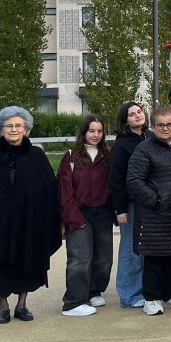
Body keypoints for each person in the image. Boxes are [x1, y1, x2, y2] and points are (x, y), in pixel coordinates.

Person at [0, 107, 62, 324]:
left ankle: (22, 305)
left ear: (25, 129)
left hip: (28, 221)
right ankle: (3, 306)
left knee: (28, 259)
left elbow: (48, 189)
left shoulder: (37, 156)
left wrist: (52, 219)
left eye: (18, 125)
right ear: (1, 129)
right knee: (1, 263)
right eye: (9, 126)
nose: (13, 129)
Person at [126, 107, 171, 316]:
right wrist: (156, 200)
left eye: (169, 124)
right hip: (153, 214)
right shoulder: (144, 149)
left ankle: (170, 295)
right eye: (160, 125)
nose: (165, 128)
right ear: (152, 127)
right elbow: (134, 181)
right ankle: (151, 298)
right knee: (153, 258)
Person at [57, 114, 113, 317]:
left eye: (100, 131)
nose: (96, 135)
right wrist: (73, 217)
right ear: (84, 132)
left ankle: (93, 291)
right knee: (80, 258)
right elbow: (64, 190)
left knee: (104, 259)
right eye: (91, 131)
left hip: (103, 214)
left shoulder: (107, 156)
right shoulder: (71, 157)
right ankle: (73, 302)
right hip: (79, 213)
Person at [109, 102, 148, 309]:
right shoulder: (121, 145)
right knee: (131, 250)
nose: (137, 115)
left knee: (144, 251)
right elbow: (115, 179)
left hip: (148, 203)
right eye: (132, 114)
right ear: (125, 121)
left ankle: (142, 289)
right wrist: (121, 208)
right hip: (131, 204)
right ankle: (128, 295)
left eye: (139, 111)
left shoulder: (149, 137)